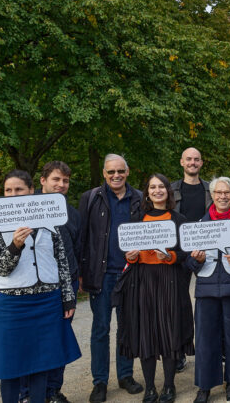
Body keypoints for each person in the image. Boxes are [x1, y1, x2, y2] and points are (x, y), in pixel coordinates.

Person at [0, 170, 81, 403]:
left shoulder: (49, 220)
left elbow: (62, 262)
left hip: (46, 302)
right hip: (12, 305)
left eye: (19, 189)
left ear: (31, 190)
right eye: (8, 190)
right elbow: (0, 268)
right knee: (10, 366)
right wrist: (15, 245)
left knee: (42, 364)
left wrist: (68, 298)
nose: (13, 194)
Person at [114, 173, 194, 403]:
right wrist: (129, 256)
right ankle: (150, 387)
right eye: (152, 187)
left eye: (161, 187)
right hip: (142, 281)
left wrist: (171, 256)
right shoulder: (137, 219)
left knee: (169, 333)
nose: (157, 190)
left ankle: (169, 386)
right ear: (147, 192)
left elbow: (185, 253)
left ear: (169, 191)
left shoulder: (179, 219)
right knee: (146, 334)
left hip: (169, 280)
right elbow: (128, 251)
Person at [78, 154, 144, 402]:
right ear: (104, 174)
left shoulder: (138, 197)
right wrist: (82, 274)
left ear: (127, 172)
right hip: (101, 274)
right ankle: (100, 381)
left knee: (126, 328)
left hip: (130, 272)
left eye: (120, 171)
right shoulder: (91, 197)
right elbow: (82, 237)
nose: (116, 176)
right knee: (100, 329)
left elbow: (146, 233)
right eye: (111, 172)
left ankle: (125, 375)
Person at [187, 177, 230, 403]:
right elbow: (189, 263)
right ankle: (205, 386)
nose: (223, 196)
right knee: (206, 339)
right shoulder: (199, 224)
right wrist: (196, 260)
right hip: (206, 289)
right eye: (219, 193)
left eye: (227, 192)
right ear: (212, 195)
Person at [39, 161, 82, 403]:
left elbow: (77, 247)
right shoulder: (27, 207)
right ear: (43, 180)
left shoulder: (72, 213)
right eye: (56, 179)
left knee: (59, 337)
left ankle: (53, 390)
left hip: (66, 286)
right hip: (37, 286)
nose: (61, 185)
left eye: (65, 181)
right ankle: (30, 391)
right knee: (36, 339)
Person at [170, 147, 209, 373]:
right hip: (180, 252)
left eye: (196, 159)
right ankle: (179, 351)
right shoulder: (171, 189)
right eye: (189, 159)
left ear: (201, 163)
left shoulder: (210, 190)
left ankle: (216, 349)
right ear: (182, 162)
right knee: (178, 304)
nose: (192, 163)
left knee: (212, 300)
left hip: (206, 251)